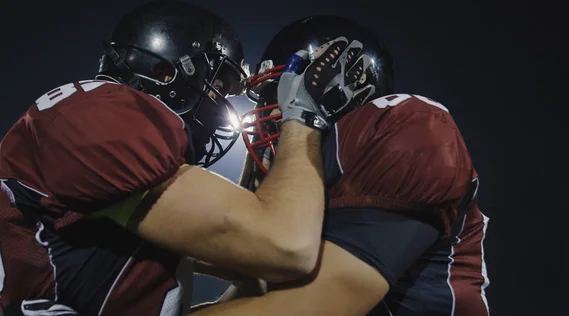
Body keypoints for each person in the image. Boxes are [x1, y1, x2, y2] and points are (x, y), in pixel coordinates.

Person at [0, 2, 370, 314]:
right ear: (166, 71)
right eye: (219, 86)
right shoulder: (107, 114)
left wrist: (266, 166)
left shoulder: (118, 178)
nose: (221, 102)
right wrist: (303, 117)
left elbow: (256, 271)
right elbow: (287, 248)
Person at [192, 15, 490, 316]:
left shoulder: (410, 128)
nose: (265, 116)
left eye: (285, 95)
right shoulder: (310, 185)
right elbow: (251, 291)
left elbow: (305, 309)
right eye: (266, 99)